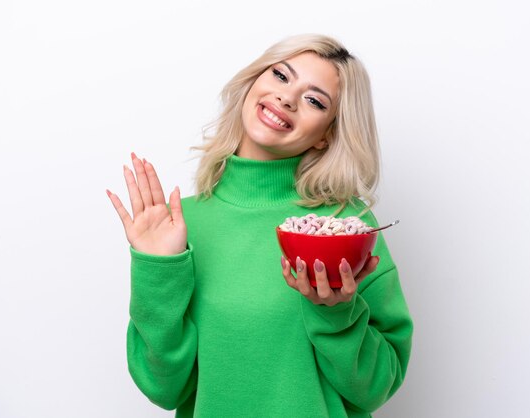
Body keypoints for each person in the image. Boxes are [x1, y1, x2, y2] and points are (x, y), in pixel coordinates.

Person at [106, 33, 413, 417]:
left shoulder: (344, 229)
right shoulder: (178, 226)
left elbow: (376, 388)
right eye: (281, 76)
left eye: (314, 100)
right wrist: (157, 273)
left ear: (327, 136)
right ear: (253, 83)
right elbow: (164, 388)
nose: (287, 98)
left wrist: (336, 312)